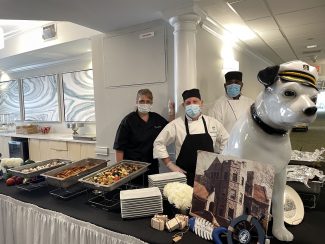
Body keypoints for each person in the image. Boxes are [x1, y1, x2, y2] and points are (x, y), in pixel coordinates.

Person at [153, 88, 229, 186]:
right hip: (184, 176)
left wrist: (220, 161)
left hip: (209, 176)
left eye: (195, 101)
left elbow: (227, 141)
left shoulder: (212, 123)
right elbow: (158, 143)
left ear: (201, 103)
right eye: (188, 103)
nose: (192, 105)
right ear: (183, 105)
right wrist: (170, 165)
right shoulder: (176, 125)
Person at [113, 89, 174, 185]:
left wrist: (171, 111)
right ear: (136, 102)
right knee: (134, 194)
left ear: (151, 103)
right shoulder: (128, 121)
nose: (145, 104)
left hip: (152, 166)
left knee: (152, 192)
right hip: (132, 168)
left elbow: (170, 127)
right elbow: (119, 148)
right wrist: (120, 171)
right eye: (141, 101)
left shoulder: (156, 118)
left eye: (148, 102)